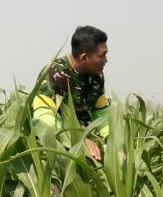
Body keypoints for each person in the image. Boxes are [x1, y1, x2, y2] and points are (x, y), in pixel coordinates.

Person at [32, 25, 110, 159]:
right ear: (84, 57)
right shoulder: (53, 74)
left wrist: (113, 141)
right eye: (102, 56)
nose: (106, 61)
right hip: (59, 143)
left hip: (89, 141)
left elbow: (102, 115)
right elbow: (43, 117)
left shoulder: (95, 77)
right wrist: (78, 140)